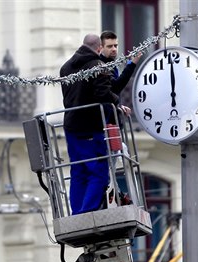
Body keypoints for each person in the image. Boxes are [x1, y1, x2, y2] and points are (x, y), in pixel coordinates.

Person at [60, 34, 119, 215]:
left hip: (70, 125)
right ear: (99, 48)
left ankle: (77, 213)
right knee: (99, 172)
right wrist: (116, 100)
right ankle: (89, 213)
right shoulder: (98, 67)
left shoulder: (66, 67)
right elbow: (103, 94)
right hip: (91, 127)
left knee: (78, 172)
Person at [99, 30, 143, 95]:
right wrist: (132, 64)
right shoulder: (100, 65)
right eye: (109, 46)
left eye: (115, 46)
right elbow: (116, 87)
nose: (114, 49)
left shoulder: (111, 62)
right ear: (101, 48)